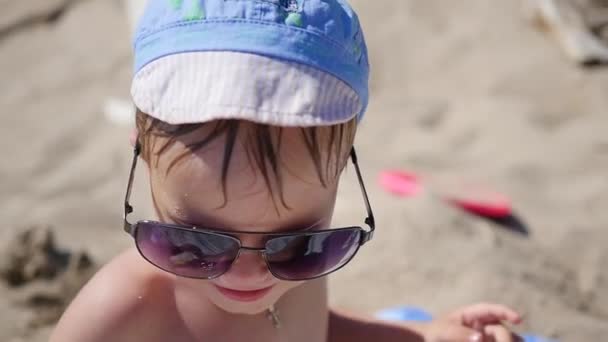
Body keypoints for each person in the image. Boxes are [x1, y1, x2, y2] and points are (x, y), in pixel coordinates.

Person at [51, 0, 523, 341]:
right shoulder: (118, 314)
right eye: (196, 243)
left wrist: (424, 334)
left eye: (301, 245)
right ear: (143, 158)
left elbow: (308, 331)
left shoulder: (288, 268)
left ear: (343, 168)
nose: (250, 274)